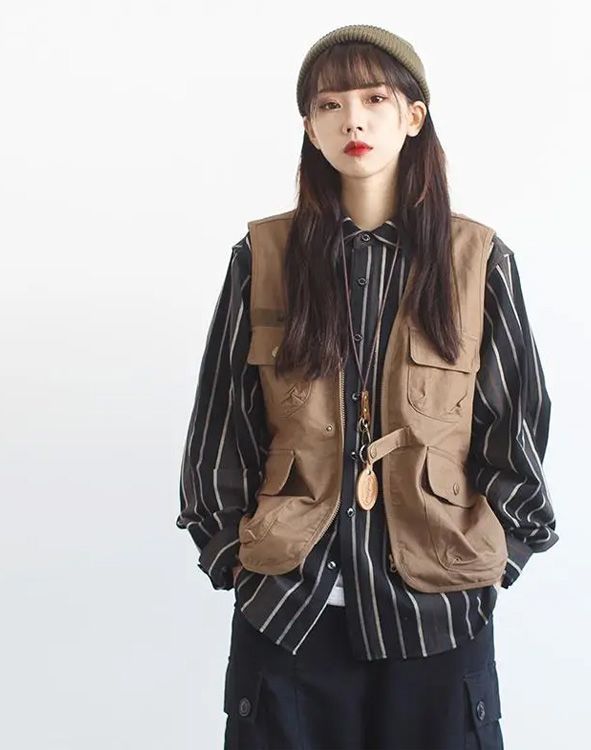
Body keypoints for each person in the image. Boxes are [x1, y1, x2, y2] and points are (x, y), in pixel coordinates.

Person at [176, 23, 559, 750]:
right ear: (310, 129)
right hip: (289, 615)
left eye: (374, 99)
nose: (352, 119)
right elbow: (222, 421)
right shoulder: (263, 256)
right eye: (330, 105)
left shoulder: (477, 259)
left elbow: (517, 426)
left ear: (413, 117)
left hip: (439, 617)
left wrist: (493, 563)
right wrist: (230, 555)